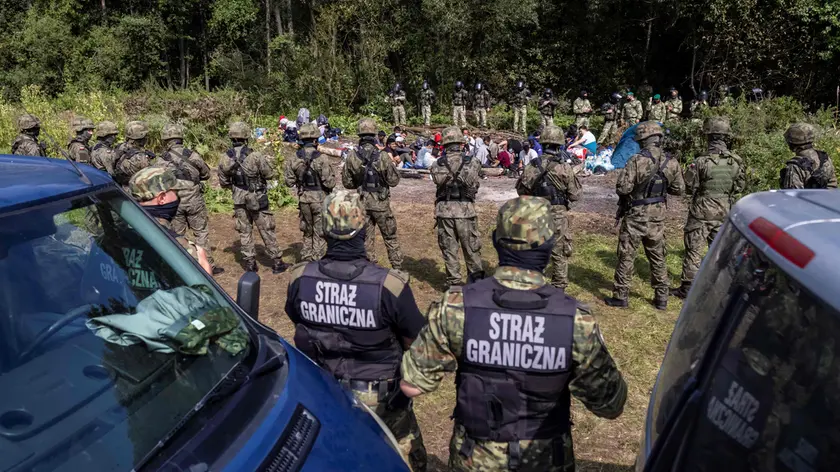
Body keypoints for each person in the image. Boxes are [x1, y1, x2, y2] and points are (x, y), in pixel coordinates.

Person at [400, 196, 628, 472]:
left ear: (497, 242)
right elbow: (610, 405)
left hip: (475, 458)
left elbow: (412, 384)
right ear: (549, 245)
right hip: (545, 460)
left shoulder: (456, 307)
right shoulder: (576, 319)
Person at [284, 190, 428, 470]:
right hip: (383, 399)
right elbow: (417, 341)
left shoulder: (300, 279)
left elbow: (298, 322)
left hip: (325, 391)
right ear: (363, 227)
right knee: (403, 459)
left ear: (324, 230)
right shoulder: (389, 285)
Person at [606, 121, 685, 310]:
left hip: (636, 215)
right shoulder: (671, 162)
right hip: (657, 216)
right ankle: (661, 298)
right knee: (658, 256)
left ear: (643, 139)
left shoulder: (636, 160)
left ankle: (621, 296)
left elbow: (623, 188)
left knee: (626, 255)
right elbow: (679, 189)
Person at [671, 117, 745, 299]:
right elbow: (740, 186)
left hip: (702, 210)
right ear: (726, 137)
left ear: (708, 137)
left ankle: (687, 288)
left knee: (694, 249)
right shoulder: (736, 161)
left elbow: (688, 186)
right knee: (720, 249)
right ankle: (722, 286)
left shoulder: (702, 161)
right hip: (725, 209)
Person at [516, 125, 582, 289]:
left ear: (543, 143)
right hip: (558, 213)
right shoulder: (565, 167)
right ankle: (559, 286)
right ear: (559, 144)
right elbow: (575, 195)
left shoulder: (532, 165)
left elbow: (520, 190)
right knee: (558, 250)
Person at [217, 121, 288, 274]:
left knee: (244, 231)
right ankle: (277, 262)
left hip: (238, 198)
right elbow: (269, 174)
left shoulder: (224, 158)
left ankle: (250, 263)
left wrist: (236, 188)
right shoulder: (255, 156)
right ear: (246, 138)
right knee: (266, 228)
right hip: (257, 197)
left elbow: (223, 182)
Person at [159, 123, 223, 275]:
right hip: (194, 199)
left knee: (177, 235)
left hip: (174, 201)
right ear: (180, 138)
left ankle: (181, 267)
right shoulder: (192, 155)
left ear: (165, 140)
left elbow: (158, 181)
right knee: (201, 233)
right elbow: (206, 174)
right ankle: (209, 266)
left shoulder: (161, 160)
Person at [342, 118, 403, 270]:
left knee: (365, 238)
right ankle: (398, 270)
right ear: (374, 135)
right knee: (390, 237)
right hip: (381, 204)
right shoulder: (383, 156)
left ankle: (369, 269)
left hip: (363, 203)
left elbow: (347, 183)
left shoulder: (352, 156)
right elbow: (394, 180)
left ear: (360, 136)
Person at [129, 167, 212, 274]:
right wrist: (203, 263)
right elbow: (203, 289)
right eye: (175, 192)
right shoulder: (178, 248)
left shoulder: (114, 232)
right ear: (162, 198)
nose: (178, 196)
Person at [430, 126, 483, 287]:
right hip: (465, 210)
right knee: (471, 248)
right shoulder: (472, 162)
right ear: (461, 143)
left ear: (444, 144)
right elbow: (475, 183)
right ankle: (476, 282)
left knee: (449, 248)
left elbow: (436, 181)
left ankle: (454, 282)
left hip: (445, 211)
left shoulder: (437, 164)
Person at [284, 123, 336, 263]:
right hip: (320, 200)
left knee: (307, 231)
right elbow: (329, 183)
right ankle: (317, 261)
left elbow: (288, 182)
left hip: (303, 199)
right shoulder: (322, 158)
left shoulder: (294, 158)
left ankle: (306, 260)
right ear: (315, 140)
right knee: (319, 232)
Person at [779, 122, 838, 189]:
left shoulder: (795, 166)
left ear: (792, 143)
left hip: (806, 199)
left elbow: (793, 195)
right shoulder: (824, 158)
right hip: (827, 198)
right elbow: (833, 186)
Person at [114, 121, 154, 190]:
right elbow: (151, 177)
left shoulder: (120, 147)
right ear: (141, 137)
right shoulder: (141, 157)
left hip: (119, 187)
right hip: (134, 190)